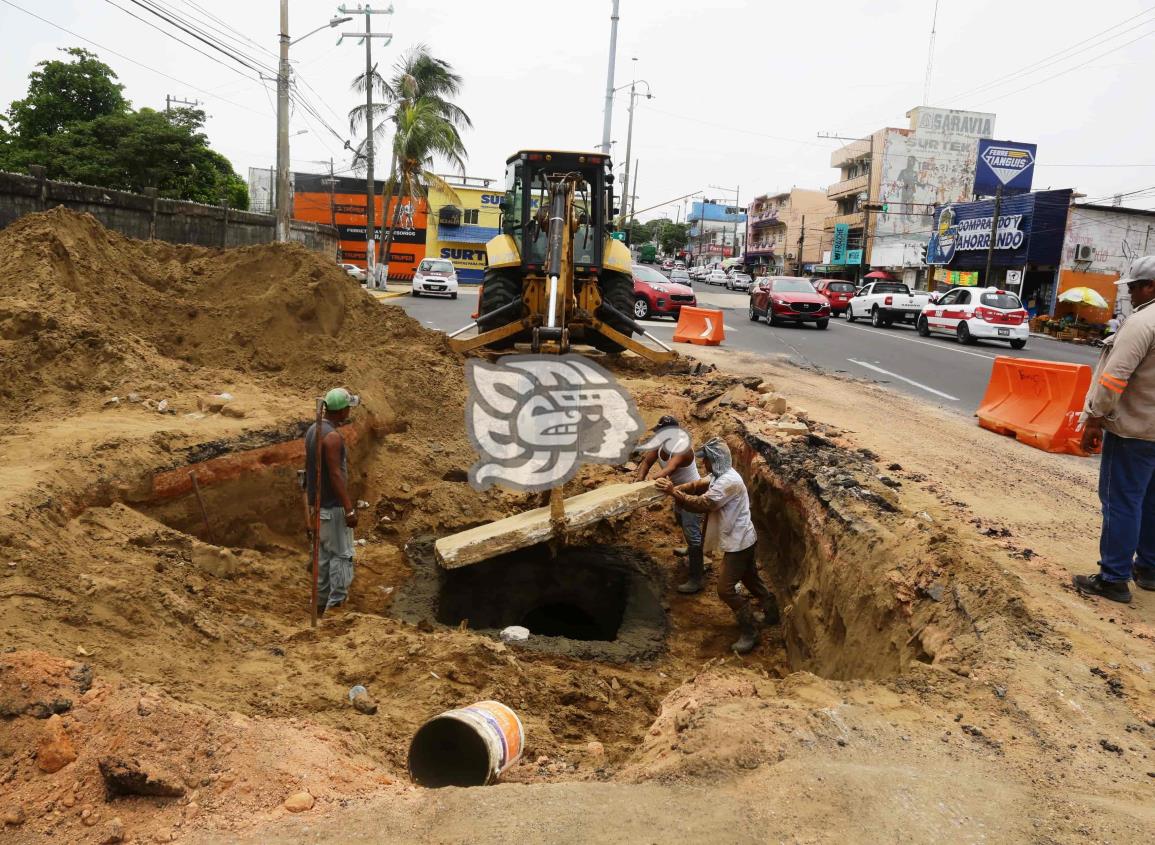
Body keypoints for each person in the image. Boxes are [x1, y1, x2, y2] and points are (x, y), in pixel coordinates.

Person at [1075, 256, 1155, 603]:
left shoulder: (1142, 323)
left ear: (1151, 286)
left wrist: (1094, 419)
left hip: (1133, 432)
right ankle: (1149, 569)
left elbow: (1113, 379)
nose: (1132, 294)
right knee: (1151, 502)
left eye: (1135, 287)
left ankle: (1113, 577)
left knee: (1121, 502)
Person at [656, 438, 777, 654]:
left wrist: (675, 492)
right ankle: (771, 613)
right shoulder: (722, 475)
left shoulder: (728, 483)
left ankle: (750, 630)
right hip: (743, 538)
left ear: (716, 461)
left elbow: (704, 504)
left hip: (739, 542)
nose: (704, 465)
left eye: (707, 461)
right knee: (750, 578)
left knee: (725, 589)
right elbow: (701, 484)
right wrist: (680, 488)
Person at [305, 387, 360, 615]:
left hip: (320, 507)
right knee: (342, 556)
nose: (350, 410)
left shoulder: (313, 430)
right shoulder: (333, 437)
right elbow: (336, 474)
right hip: (333, 507)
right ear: (342, 411)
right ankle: (336, 608)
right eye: (348, 407)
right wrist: (348, 509)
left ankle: (319, 607)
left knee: (324, 557)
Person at [636, 416, 705, 594]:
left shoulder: (683, 449)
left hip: (693, 493)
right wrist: (639, 480)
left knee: (693, 533)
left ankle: (697, 579)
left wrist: (649, 482)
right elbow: (646, 462)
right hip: (678, 491)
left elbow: (669, 470)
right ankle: (691, 548)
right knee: (680, 519)